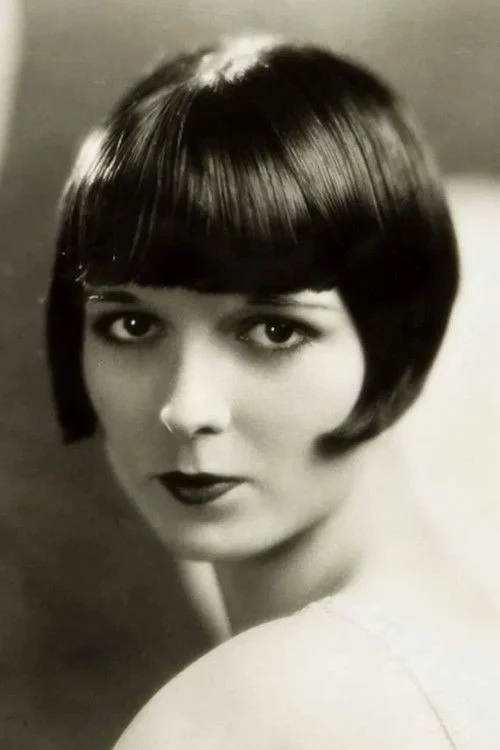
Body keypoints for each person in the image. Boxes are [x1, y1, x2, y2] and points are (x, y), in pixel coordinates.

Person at [46, 33, 500, 749]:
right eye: (131, 325)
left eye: (274, 331)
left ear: (402, 336)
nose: (187, 408)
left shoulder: (245, 714)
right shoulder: (466, 653)